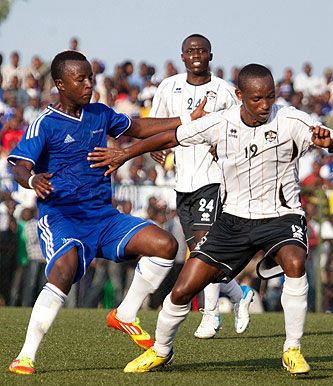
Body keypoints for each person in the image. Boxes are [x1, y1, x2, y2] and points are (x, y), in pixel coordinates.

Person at [88, 63, 333, 375]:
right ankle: (161, 351)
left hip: (281, 216)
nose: (265, 105)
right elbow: (169, 138)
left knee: (295, 262)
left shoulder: (292, 119)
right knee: (183, 290)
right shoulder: (220, 122)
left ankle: (292, 349)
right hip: (233, 221)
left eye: (270, 97)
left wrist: (328, 143)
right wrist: (125, 154)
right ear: (240, 95)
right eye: (257, 99)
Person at [7, 50, 205, 375]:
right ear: (60, 84)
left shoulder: (100, 113)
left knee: (166, 245)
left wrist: (186, 120)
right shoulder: (45, 123)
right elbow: (19, 165)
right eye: (80, 79)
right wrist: (31, 178)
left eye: (91, 77)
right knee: (64, 270)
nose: (89, 84)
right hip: (63, 217)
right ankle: (25, 356)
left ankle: (124, 314)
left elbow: (139, 127)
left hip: (105, 217)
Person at [149, 33, 254, 339]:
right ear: (182, 56)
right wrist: (155, 147)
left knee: (205, 248)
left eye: (202, 50)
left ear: (210, 55)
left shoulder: (223, 90)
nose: (196, 54)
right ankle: (237, 294)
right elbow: (156, 123)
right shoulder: (169, 86)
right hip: (183, 181)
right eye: (190, 50)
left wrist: (225, 147)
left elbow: (241, 124)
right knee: (198, 252)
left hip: (212, 177)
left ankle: (210, 315)